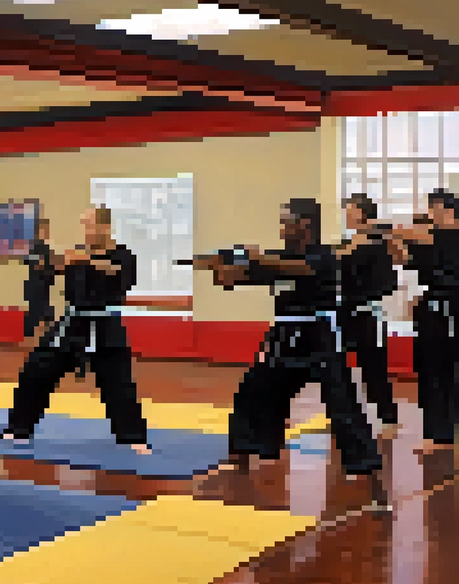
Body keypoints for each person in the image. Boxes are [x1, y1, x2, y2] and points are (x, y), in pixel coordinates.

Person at [196, 199, 384, 493]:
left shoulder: (324, 255)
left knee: (341, 399)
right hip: (284, 336)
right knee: (254, 390)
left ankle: (364, 465)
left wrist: (256, 257)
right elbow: (232, 280)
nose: (282, 228)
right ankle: (248, 452)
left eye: (287, 222)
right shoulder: (276, 258)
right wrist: (221, 269)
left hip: (319, 334)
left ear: (305, 224)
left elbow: (300, 268)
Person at [1, 207, 151, 454]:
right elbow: (52, 269)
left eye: (91, 225)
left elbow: (116, 272)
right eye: (84, 225)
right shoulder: (77, 255)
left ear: (105, 227)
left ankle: (132, 437)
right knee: (35, 371)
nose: (87, 231)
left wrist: (83, 260)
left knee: (118, 383)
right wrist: (44, 262)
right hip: (72, 324)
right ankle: (19, 428)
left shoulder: (123, 256)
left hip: (105, 326)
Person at [391, 189, 459, 454]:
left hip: (452, 306)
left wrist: (384, 228)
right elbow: (404, 258)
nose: (431, 215)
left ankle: (446, 429)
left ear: (446, 209)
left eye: (434, 210)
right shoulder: (429, 240)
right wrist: (390, 240)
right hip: (432, 309)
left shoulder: (446, 235)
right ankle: (437, 433)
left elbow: (416, 234)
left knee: (448, 370)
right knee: (431, 370)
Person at [336, 194, 400, 435]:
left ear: (364, 213)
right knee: (337, 367)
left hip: (368, 313)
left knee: (373, 366)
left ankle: (388, 418)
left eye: (351, 210)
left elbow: (387, 282)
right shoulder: (346, 243)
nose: (347, 214)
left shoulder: (378, 244)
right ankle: (344, 416)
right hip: (344, 312)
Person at [23, 218, 56, 340]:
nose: (46, 232)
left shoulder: (47, 248)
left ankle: (46, 336)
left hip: (44, 285)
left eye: (47, 229)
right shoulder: (32, 246)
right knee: (35, 311)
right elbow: (27, 259)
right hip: (34, 285)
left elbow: (49, 266)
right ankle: (29, 336)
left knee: (45, 311)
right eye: (43, 229)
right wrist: (38, 261)